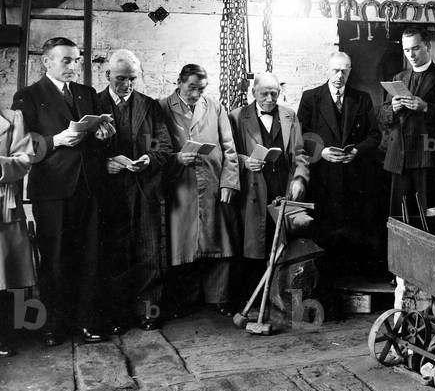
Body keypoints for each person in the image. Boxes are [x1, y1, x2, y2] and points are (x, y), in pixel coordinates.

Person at [12, 36, 114, 345]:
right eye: (66, 60)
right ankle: (54, 325)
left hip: (89, 186)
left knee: (90, 256)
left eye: (76, 60)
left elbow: (99, 141)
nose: (73, 66)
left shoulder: (86, 93)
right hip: (52, 190)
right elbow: (21, 146)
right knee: (55, 258)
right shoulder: (28, 96)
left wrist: (103, 135)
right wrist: (56, 140)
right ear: (46, 61)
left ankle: (87, 321)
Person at [96, 49, 173, 331]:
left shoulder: (150, 106)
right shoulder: (93, 104)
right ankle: (118, 315)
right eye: (120, 78)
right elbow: (84, 150)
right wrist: (105, 163)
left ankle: (149, 312)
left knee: (150, 252)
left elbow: (164, 146)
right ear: (108, 75)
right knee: (114, 253)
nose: (127, 84)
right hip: (109, 192)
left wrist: (148, 160)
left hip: (144, 189)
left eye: (132, 78)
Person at [160, 64, 239, 318]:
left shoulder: (214, 106)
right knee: (183, 245)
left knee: (219, 241)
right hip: (180, 185)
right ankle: (185, 300)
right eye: (191, 88)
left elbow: (229, 148)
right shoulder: (162, 107)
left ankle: (219, 297)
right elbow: (155, 147)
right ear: (179, 82)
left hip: (213, 182)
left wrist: (229, 182)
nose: (196, 94)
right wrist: (176, 159)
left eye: (201, 89)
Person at [297, 52, 381, 262]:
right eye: (335, 70)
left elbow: (374, 136)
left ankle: (351, 270)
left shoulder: (361, 98)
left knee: (354, 231)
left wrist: (356, 151)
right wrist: (321, 152)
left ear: (350, 71)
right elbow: (299, 136)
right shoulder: (310, 98)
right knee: (325, 230)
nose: (339, 76)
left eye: (344, 71)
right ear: (328, 70)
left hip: (354, 176)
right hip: (323, 177)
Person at [379, 26, 435, 213]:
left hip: (428, 158)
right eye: (406, 50)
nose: (411, 55)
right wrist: (393, 108)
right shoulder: (398, 77)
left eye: (415, 48)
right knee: (400, 217)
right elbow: (382, 115)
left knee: (428, 216)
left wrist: (426, 107)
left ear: (428, 46)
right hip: (399, 159)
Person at [231, 73, 309, 269]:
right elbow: (228, 155)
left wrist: (300, 179)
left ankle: (279, 288)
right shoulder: (237, 116)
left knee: (283, 249)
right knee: (255, 249)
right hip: (253, 192)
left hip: (282, 190)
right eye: (264, 94)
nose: (269, 99)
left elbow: (300, 154)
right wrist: (245, 162)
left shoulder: (289, 115)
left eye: (274, 94)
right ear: (253, 92)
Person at [0, 107, 34, 356]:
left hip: (4, 204)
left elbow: (24, 161)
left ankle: (4, 334)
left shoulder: (12, 119)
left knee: (5, 271)